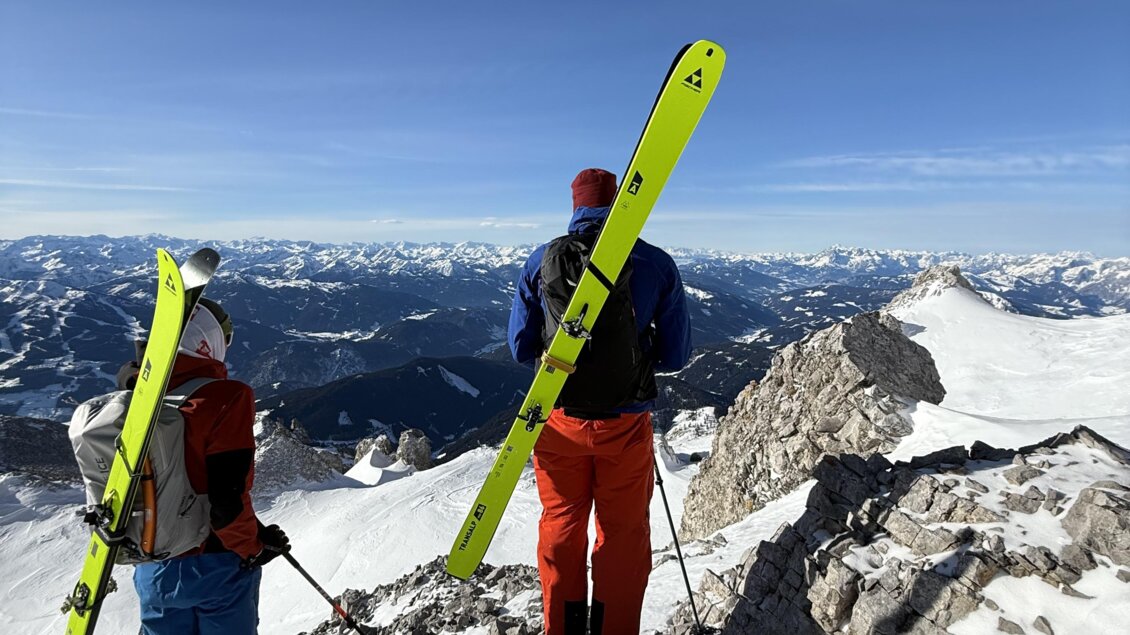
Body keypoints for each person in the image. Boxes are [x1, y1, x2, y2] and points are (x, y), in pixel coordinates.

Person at [508, 168, 692, 634]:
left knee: (562, 527)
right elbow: (676, 355)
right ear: (617, 203)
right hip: (624, 426)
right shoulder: (654, 263)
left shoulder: (541, 260)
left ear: (575, 207)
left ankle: (563, 627)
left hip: (558, 422)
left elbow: (518, 346)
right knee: (624, 536)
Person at [119, 298, 290, 635]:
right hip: (216, 571)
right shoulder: (226, 398)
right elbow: (226, 500)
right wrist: (253, 547)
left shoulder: (134, 397)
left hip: (154, 569)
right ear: (206, 339)